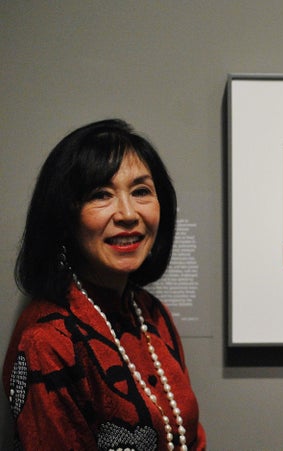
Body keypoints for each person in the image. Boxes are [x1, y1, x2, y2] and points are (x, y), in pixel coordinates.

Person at [3, 119, 206, 450]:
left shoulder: (152, 313)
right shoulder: (47, 341)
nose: (127, 213)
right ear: (65, 217)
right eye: (101, 194)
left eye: (141, 191)